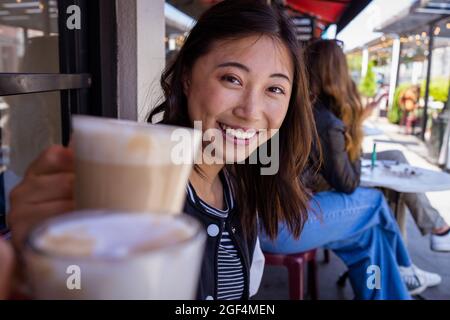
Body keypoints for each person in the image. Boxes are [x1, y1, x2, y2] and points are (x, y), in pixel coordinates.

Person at [7, 0, 317, 300]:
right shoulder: (136, 185)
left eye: (274, 88)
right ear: (187, 78)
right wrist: (35, 265)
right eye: (232, 79)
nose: (250, 111)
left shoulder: (242, 183)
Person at [260, 39, 440, 299]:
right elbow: (349, 184)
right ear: (339, 74)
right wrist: (354, 126)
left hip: (272, 219)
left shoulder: (300, 110)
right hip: (278, 226)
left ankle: (388, 289)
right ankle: (404, 267)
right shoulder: (325, 121)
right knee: (375, 202)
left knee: (370, 239)